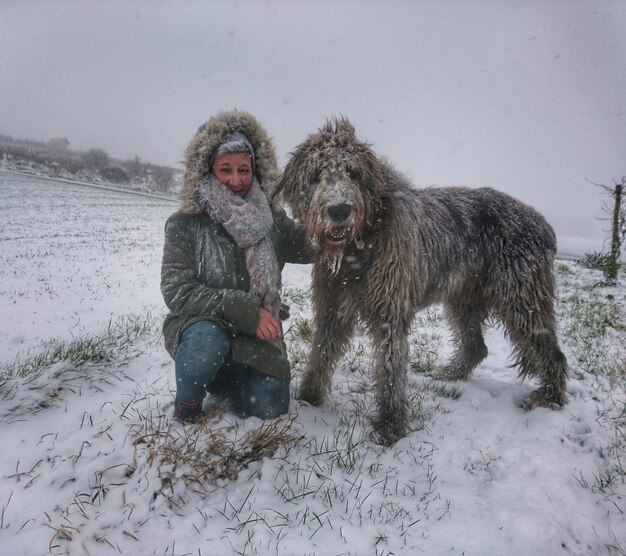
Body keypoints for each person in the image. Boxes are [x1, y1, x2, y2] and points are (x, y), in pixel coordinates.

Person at [161, 111, 312, 422]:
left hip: (256, 336)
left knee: (270, 408)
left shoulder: (272, 221)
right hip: (202, 326)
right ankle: (188, 402)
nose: (236, 180)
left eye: (244, 169)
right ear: (207, 169)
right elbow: (177, 291)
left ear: (256, 170)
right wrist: (245, 310)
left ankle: (234, 374)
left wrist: (338, 222)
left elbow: (312, 244)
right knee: (205, 343)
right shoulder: (184, 224)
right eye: (225, 169)